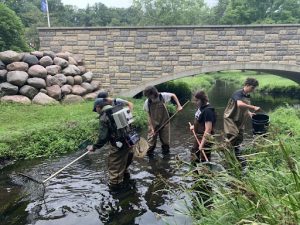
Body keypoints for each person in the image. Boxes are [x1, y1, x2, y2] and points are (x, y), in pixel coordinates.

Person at [87, 98, 134, 191]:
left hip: (118, 146)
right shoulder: (118, 108)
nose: (96, 112)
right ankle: (128, 184)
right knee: (124, 166)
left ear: (98, 107)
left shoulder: (104, 116)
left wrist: (94, 147)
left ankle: (116, 192)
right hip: (130, 141)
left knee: (114, 168)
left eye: (95, 110)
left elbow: (103, 137)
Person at [223, 77, 260, 170]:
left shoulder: (247, 96)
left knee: (240, 137)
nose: (253, 89)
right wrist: (253, 107)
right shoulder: (238, 93)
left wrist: (250, 113)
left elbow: (245, 108)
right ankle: (226, 151)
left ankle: (234, 152)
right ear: (247, 85)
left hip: (239, 119)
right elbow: (239, 104)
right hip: (230, 117)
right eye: (252, 87)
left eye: (254, 88)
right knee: (233, 134)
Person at [143, 86, 183, 156]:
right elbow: (149, 116)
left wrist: (179, 105)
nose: (149, 97)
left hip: (164, 122)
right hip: (153, 123)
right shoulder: (147, 102)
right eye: (148, 96)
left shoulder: (162, 96)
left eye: (150, 95)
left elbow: (173, 95)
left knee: (165, 143)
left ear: (154, 93)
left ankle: (166, 157)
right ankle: (150, 157)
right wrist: (152, 128)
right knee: (150, 143)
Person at [189, 91, 216, 163]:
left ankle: (205, 172)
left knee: (204, 159)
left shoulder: (208, 111)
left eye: (197, 100)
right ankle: (195, 172)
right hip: (198, 136)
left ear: (202, 100)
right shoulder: (201, 107)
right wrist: (193, 126)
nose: (195, 102)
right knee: (194, 155)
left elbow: (208, 129)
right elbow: (199, 120)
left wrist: (201, 144)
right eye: (195, 100)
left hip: (205, 139)